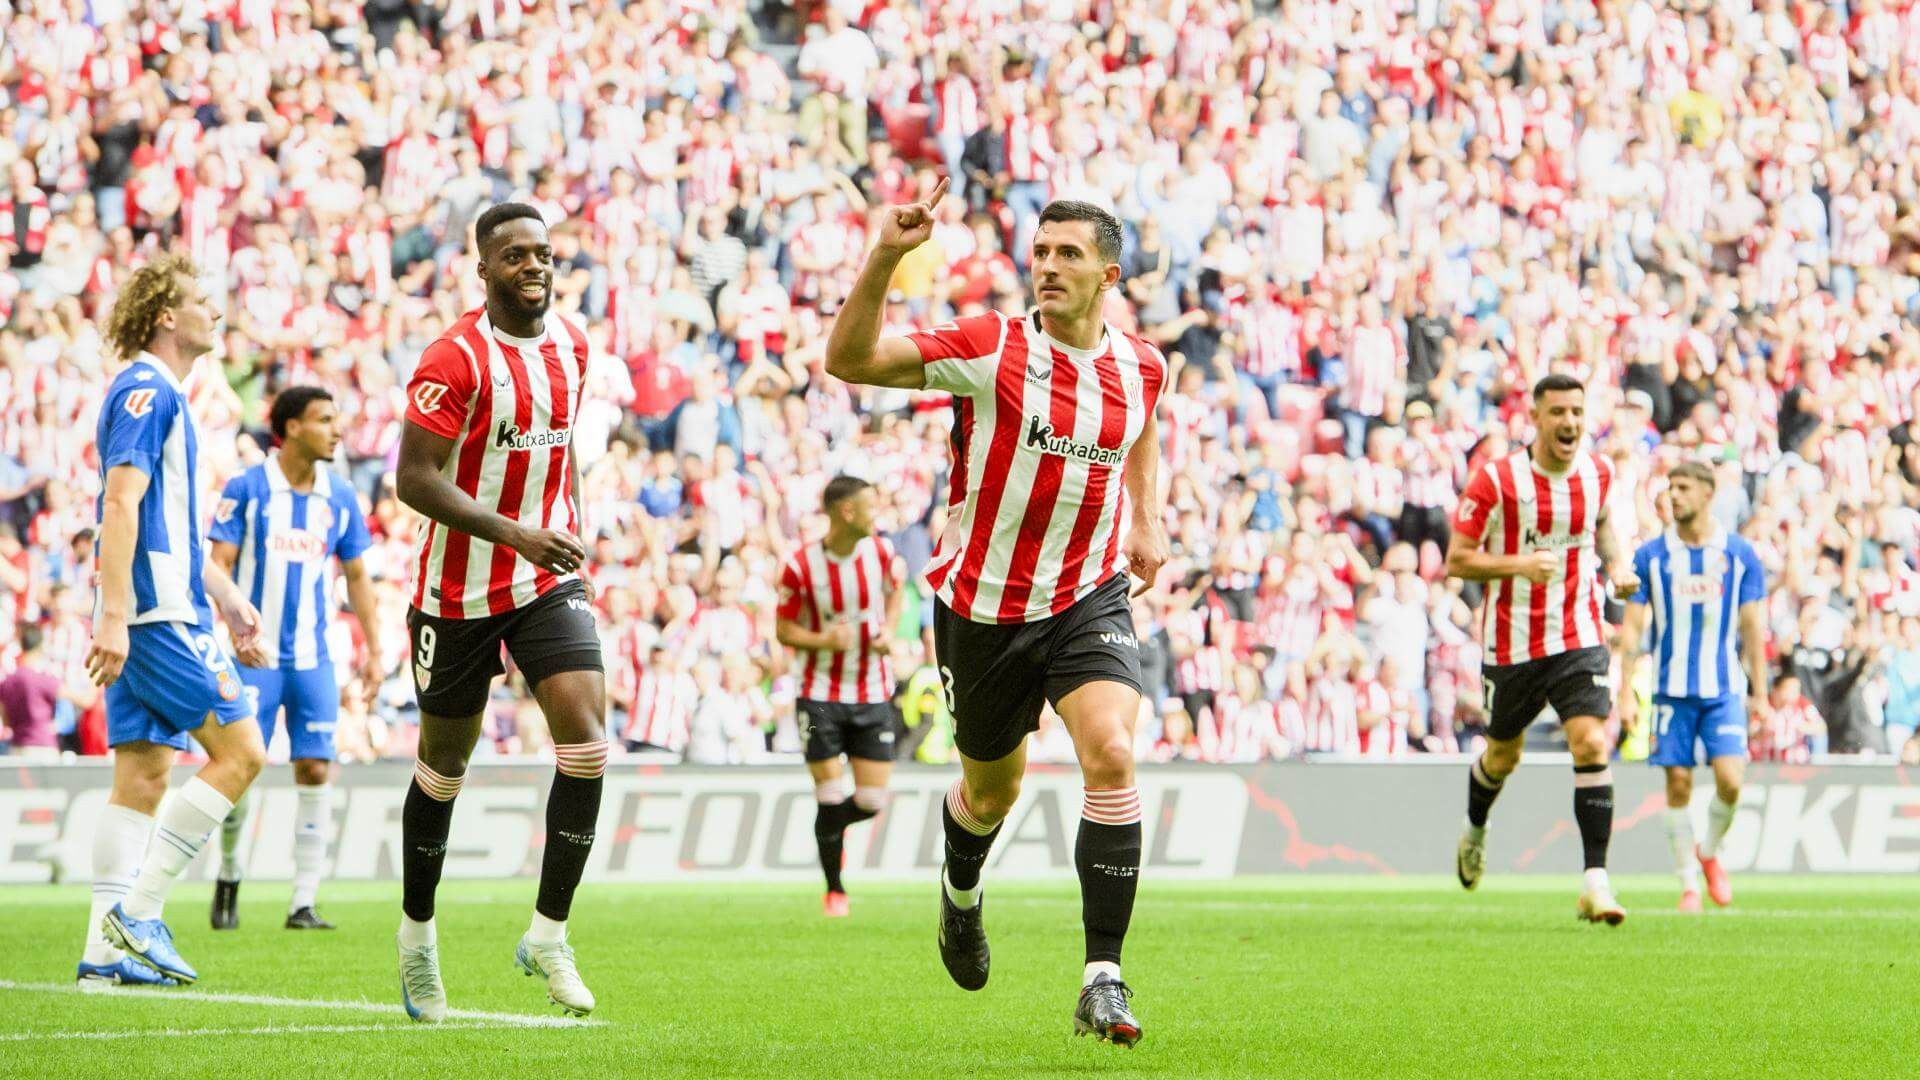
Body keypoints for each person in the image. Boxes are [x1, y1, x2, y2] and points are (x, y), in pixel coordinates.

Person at [826, 182, 1170, 1047]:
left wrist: (1150, 519)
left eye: (1069, 255)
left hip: (1089, 594)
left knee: (1114, 755)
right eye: (1041, 251)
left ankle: (1103, 977)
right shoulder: (991, 347)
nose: (1047, 266)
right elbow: (851, 361)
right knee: (991, 792)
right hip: (982, 607)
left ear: (1109, 274)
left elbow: (1143, 433)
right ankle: (961, 892)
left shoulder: (1142, 365)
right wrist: (885, 255)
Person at [392, 203, 607, 1021]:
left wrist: (569, 528)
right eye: (514, 255)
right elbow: (414, 479)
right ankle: (417, 937)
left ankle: (549, 933)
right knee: (444, 767)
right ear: (483, 271)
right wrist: (518, 530)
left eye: (543, 252)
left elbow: (562, 445)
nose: (534, 265)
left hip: (542, 582)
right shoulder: (454, 358)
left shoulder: (574, 348)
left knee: (587, 738)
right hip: (457, 592)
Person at [80, 253, 269, 986]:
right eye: (202, 300)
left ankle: (103, 954)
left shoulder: (162, 395)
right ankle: (142, 910)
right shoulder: (145, 391)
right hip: (155, 616)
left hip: (163, 604)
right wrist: (116, 618)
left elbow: (167, 526)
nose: (215, 312)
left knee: (143, 776)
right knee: (242, 753)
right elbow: (120, 506)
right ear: (167, 316)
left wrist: (225, 594)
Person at [1446, 373, 1640, 924]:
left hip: (1578, 635)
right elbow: (1458, 558)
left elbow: (1602, 528)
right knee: (1503, 756)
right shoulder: (1498, 481)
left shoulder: (1598, 474)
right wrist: (1519, 565)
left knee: (1591, 743)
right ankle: (1475, 827)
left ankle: (1595, 883)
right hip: (1511, 645)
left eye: (1577, 412)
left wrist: (1619, 566)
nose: (1570, 423)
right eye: (1557, 412)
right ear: (1534, 417)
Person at [206, 385, 383, 932]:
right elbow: (220, 564)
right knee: (240, 769)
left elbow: (356, 575)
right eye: (324, 419)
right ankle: (230, 874)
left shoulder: (341, 495)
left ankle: (303, 900)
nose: (337, 429)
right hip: (253, 659)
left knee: (315, 766)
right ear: (292, 428)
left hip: (313, 658)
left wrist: (375, 649)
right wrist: (233, 629)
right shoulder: (248, 487)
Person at [1617, 462, 1768, 911]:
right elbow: (1632, 630)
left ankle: (1709, 853)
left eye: (1683, 487)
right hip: (1670, 688)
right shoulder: (1650, 556)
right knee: (1678, 784)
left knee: (1731, 780)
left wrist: (1759, 693)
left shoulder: (1738, 554)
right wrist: (1625, 690)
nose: (1673, 495)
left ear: (1707, 493)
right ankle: (1688, 883)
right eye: (1670, 487)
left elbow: (1753, 627)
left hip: (1723, 689)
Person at [774, 475, 907, 916]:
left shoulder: (883, 553)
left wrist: (888, 630)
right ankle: (835, 890)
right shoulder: (800, 566)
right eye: (871, 506)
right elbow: (783, 629)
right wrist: (822, 641)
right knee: (830, 795)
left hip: (872, 692)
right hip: (819, 695)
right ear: (847, 511)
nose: (877, 514)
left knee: (870, 802)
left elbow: (895, 593)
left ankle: (824, 831)